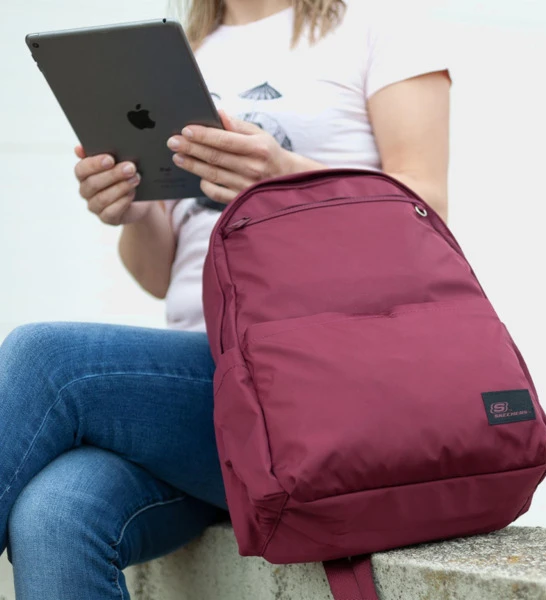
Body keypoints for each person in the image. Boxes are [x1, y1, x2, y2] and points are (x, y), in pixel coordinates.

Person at [0, 0, 451, 597]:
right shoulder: (181, 54)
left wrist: (284, 176)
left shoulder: (380, 27)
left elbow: (428, 210)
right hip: (206, 399)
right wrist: (133, 210)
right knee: (55, 512)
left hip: (318, 385)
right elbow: (161, 276)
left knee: (48, 359)